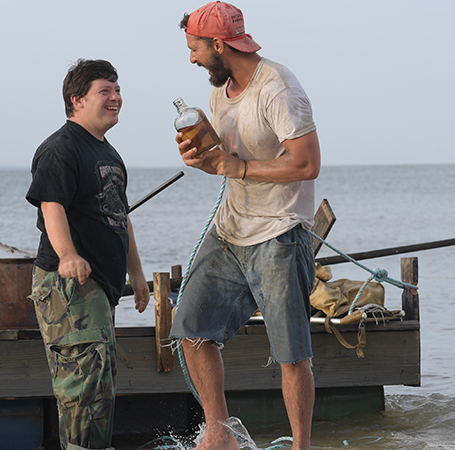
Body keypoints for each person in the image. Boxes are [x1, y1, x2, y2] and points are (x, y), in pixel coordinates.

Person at [169, 3, 321, 449]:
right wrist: (206, 161)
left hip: (279, 232)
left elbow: (306, 163)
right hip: (230, 229)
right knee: (190, 327)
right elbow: (226, 162)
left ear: (218, 45)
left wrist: (236, 167)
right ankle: (221, 433)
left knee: (291, 355)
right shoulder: (220, 91)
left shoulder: (278, 88)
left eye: (194, 48)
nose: (191, 59)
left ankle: (301, 446)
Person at [26, 58, 150, 450]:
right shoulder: (61, 148)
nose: (116, 98)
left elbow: (120, 218)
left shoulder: (109, 154)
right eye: (105, 91)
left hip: (100, 288)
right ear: (77, 100)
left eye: (117, 90)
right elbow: (51, 205)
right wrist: (67, 255)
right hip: (69, 287)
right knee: (82, 387)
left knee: (101, 384)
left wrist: (138, 275)